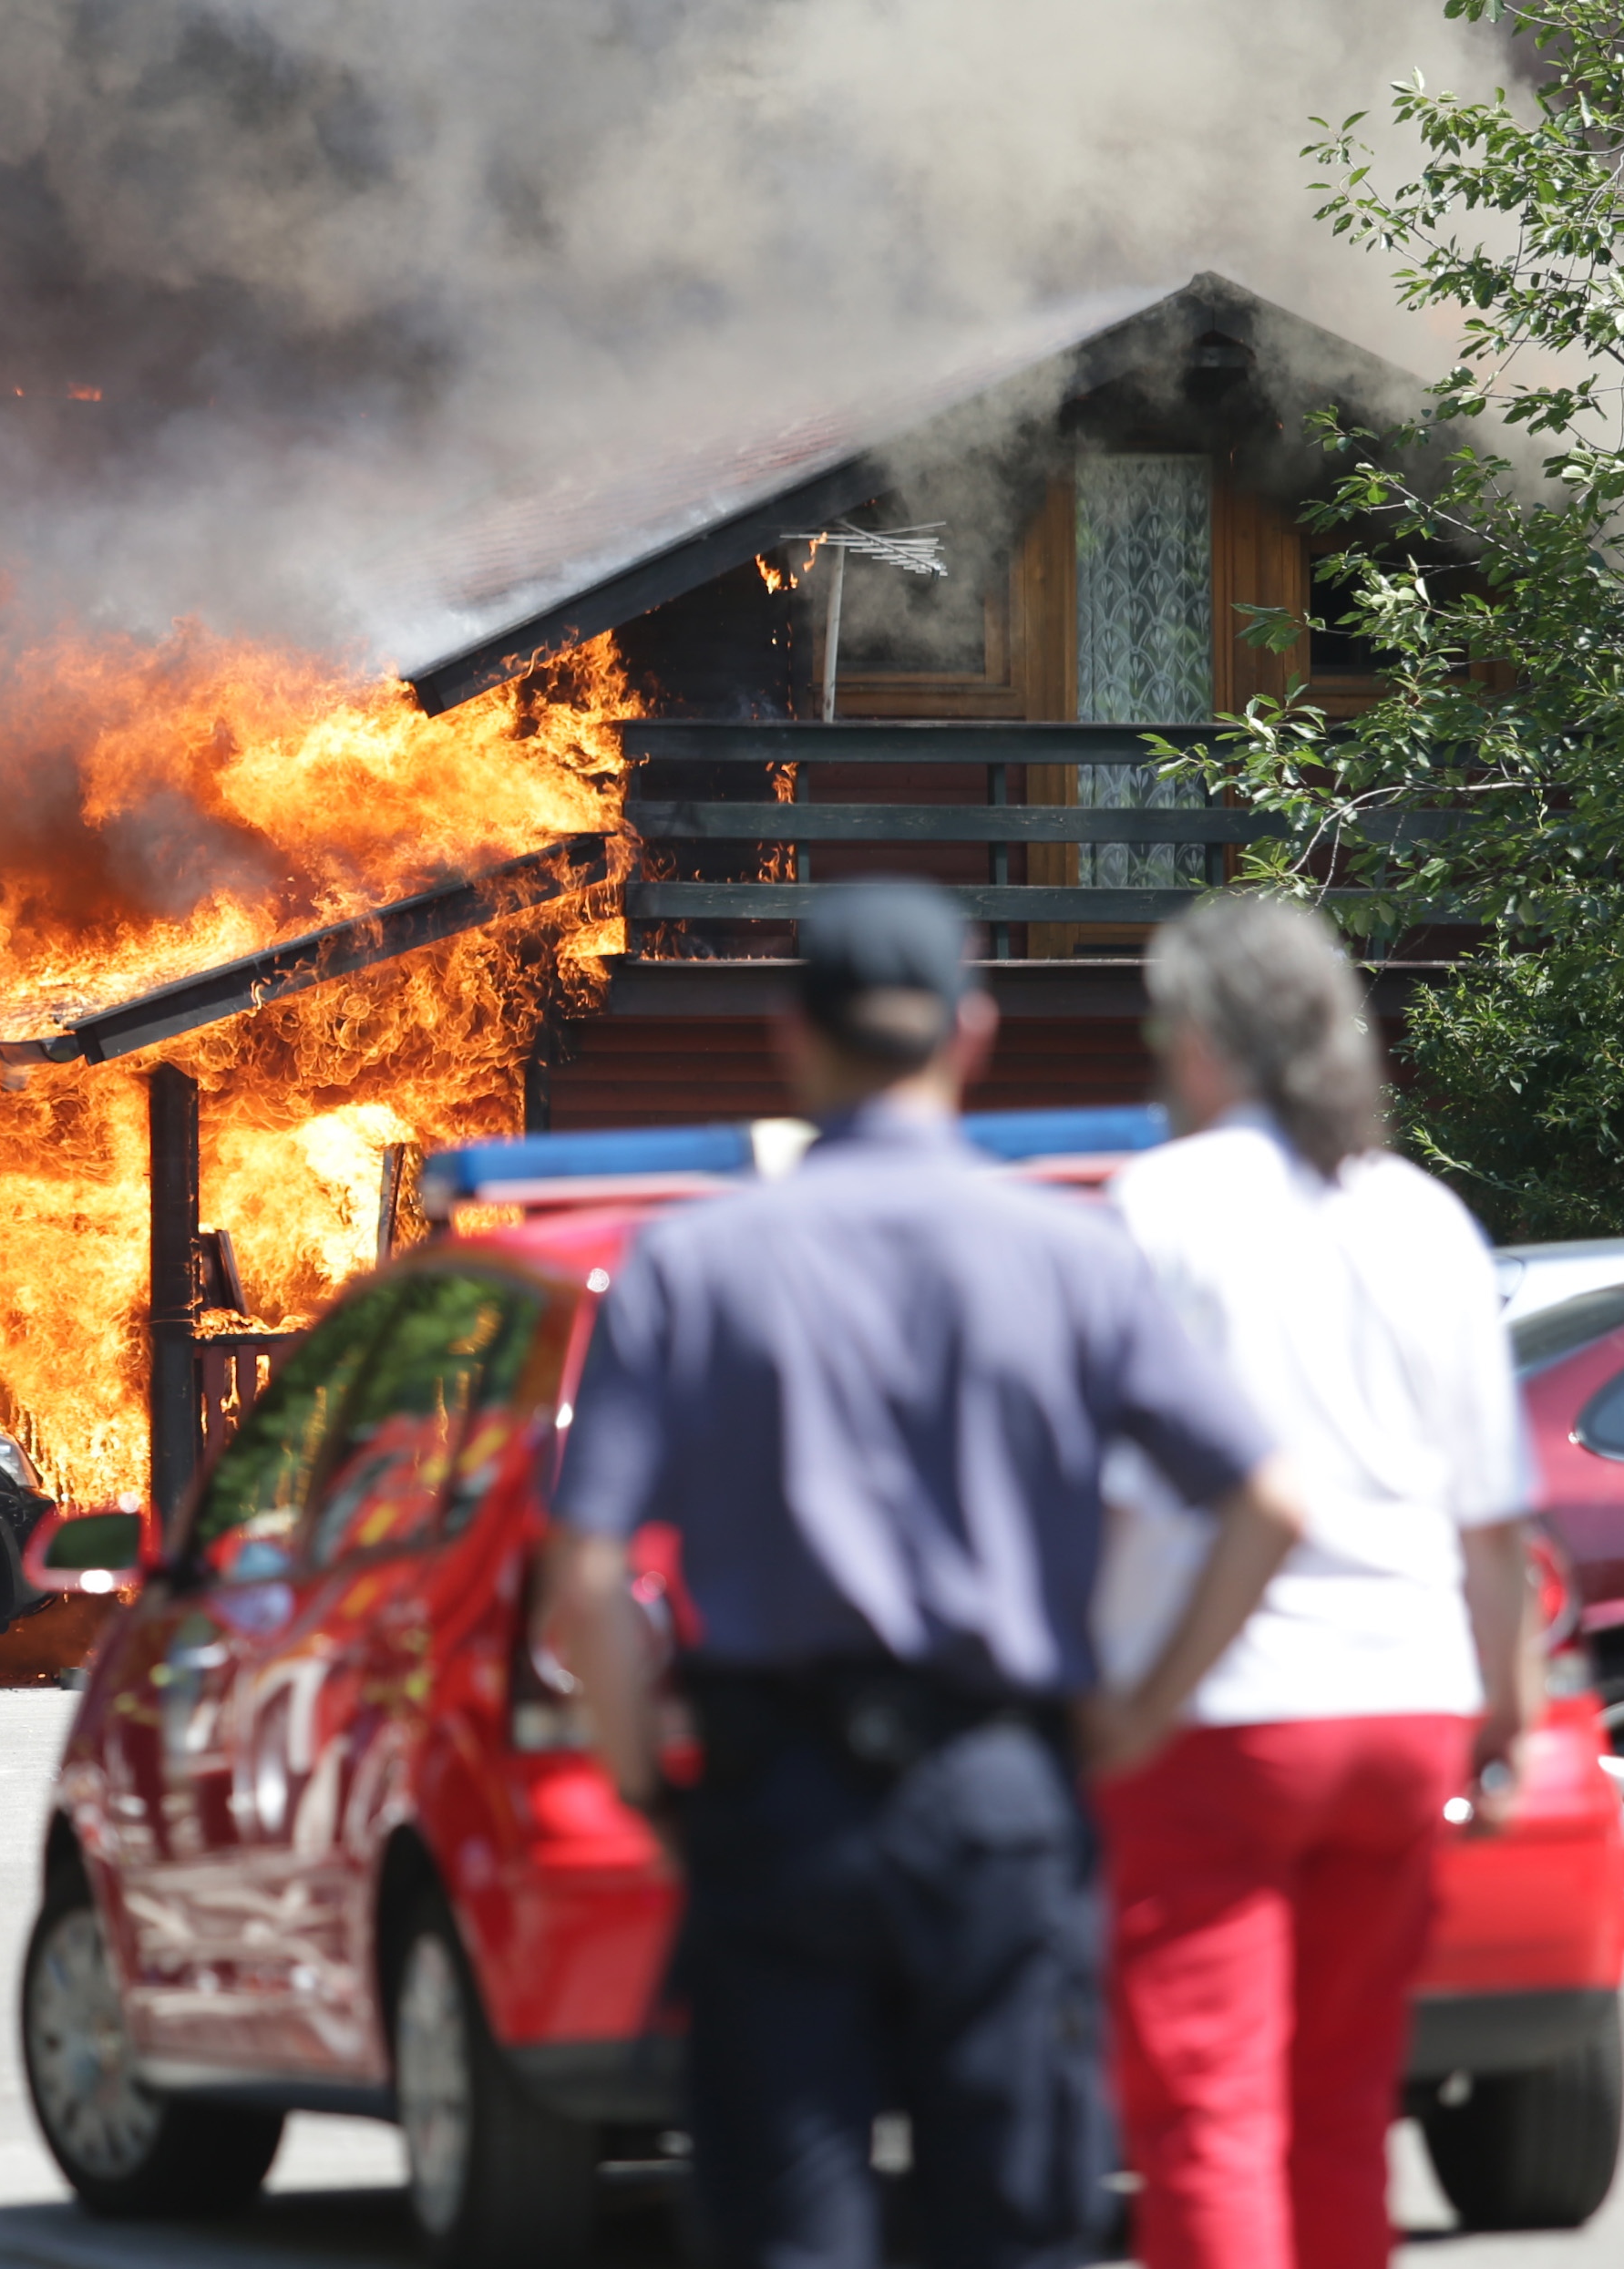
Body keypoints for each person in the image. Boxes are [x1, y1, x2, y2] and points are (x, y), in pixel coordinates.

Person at [546, 878, 1314, 2269]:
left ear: (795, 1036)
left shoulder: (692, 1264)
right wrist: (1142, 1709)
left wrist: (644, 1774)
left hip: (778, 1800)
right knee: (1014, 2224)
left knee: (790, 2221)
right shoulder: (1075, 1255)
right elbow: (1266, 1495)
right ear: (972, 1032)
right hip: (1000, 1796)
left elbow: (585, 1573)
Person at [1084, 896, 1539, 2269]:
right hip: (1406, 1703)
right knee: (1341, 2105)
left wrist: (1109, 1701)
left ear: (1210, 1041)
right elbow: (1493, 1512)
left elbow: (1099, 1496)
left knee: (1204, 2113)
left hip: (1220, 1709)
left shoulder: (1153, 1212)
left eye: (1163, 1030)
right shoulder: (1423, 1217)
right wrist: (1503, 1707)